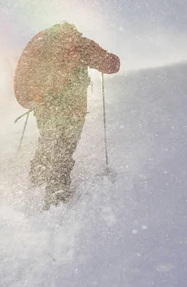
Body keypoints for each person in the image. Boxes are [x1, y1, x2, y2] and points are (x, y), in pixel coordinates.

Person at [13, 22, 120, 210]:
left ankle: (35, 182)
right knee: (63, 149)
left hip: (44, 107)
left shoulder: (42, 43)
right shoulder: (79, 43)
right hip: (71, 110)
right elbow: (111, 65)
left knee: (47, 142)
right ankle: (57, 197)